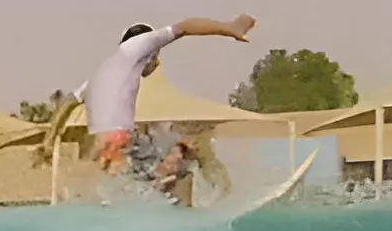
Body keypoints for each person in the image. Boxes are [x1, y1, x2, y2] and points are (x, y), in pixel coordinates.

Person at [66, 15, 256, 175]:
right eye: (155, 54)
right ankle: (219, 193)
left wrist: (52, 138)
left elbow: (68, 102)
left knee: (184, 153)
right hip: (133, 150)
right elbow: (185, 27)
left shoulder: (109, 77)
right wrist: (228, 28)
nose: (156, 60)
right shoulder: (139, 49)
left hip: (133, 151)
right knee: (188, 153)